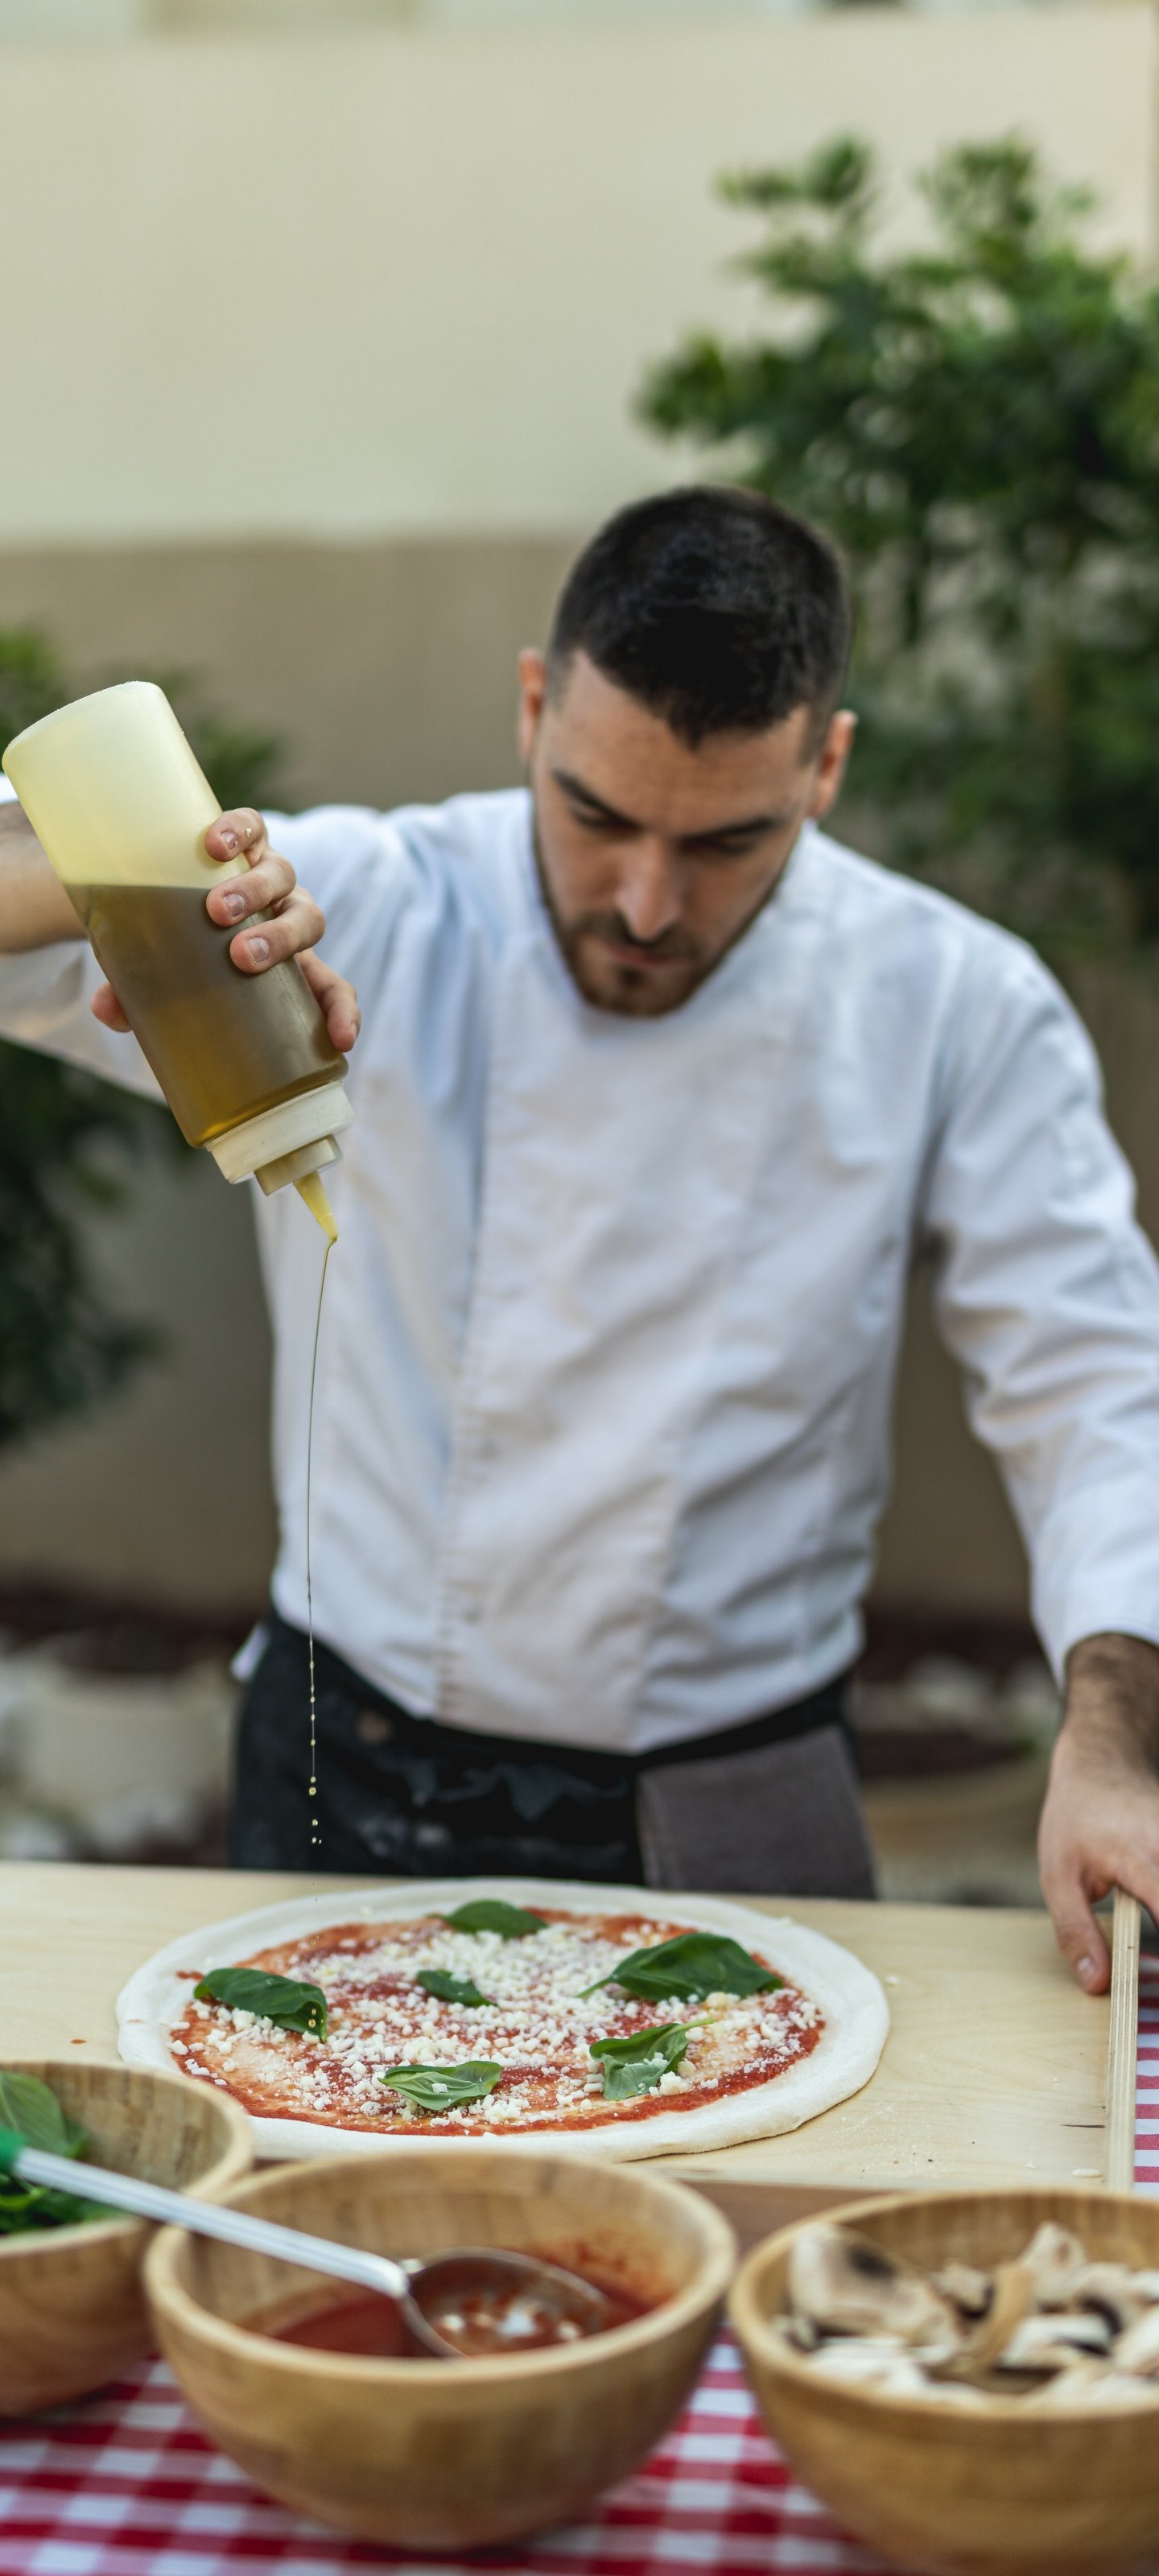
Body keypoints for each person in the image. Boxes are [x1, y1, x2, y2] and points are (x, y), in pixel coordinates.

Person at [2, 484, 1159, 1996]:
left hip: (735, 1789)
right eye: (598, 815)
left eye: (728, 840)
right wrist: (116, 883)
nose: (648, 903)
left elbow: (1093, 1387)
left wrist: (1115, 1738)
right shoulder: (357, 907)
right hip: (348, 1757)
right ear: (535, 707)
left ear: (826, 766)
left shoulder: (959, 1006)